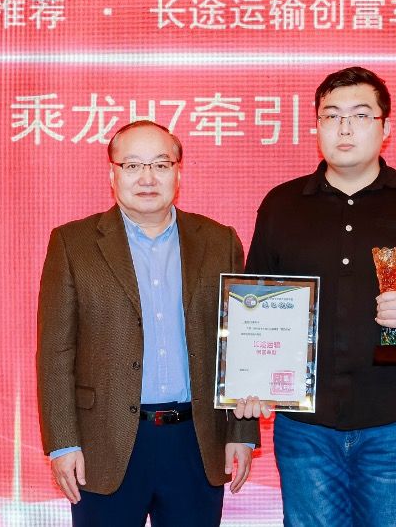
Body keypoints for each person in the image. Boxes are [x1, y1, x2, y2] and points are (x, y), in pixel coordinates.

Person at [237, 66, 396, 526]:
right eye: (331, 116)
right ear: (317, 126)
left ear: (385, 127)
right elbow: (256, 303)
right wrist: (253, 380)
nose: (344, 128)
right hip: (306, 427)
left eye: (360, 115)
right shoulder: (282, 206)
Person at [37, 120, 260, 526]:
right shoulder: (73, 244)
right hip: (103, 443)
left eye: (160, 164)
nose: (147, 178)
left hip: (195, 441)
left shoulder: (219, 242)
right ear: (113, 174)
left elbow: (240, 346)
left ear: (178, 173)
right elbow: (55, 352)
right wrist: (62, 443)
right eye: (132, 165)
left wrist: (241, 433)